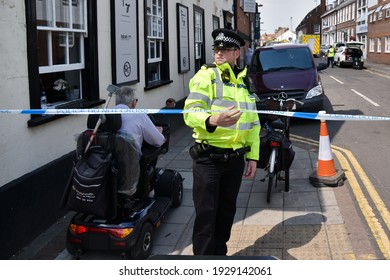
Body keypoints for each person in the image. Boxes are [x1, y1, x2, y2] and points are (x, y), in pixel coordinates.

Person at [183, 28, 261, 255]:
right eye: (216, 49)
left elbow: (254, 124)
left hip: (235, 160)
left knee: (226, 214)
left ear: (237, 53)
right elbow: (190, 114)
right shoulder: (205, 76)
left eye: (225, 50)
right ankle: (204, 265)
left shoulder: (244, 83)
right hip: (209, 160)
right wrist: (213, 119)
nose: (219, 54)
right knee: (206, 217)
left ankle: (219, 258)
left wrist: (253, 156)